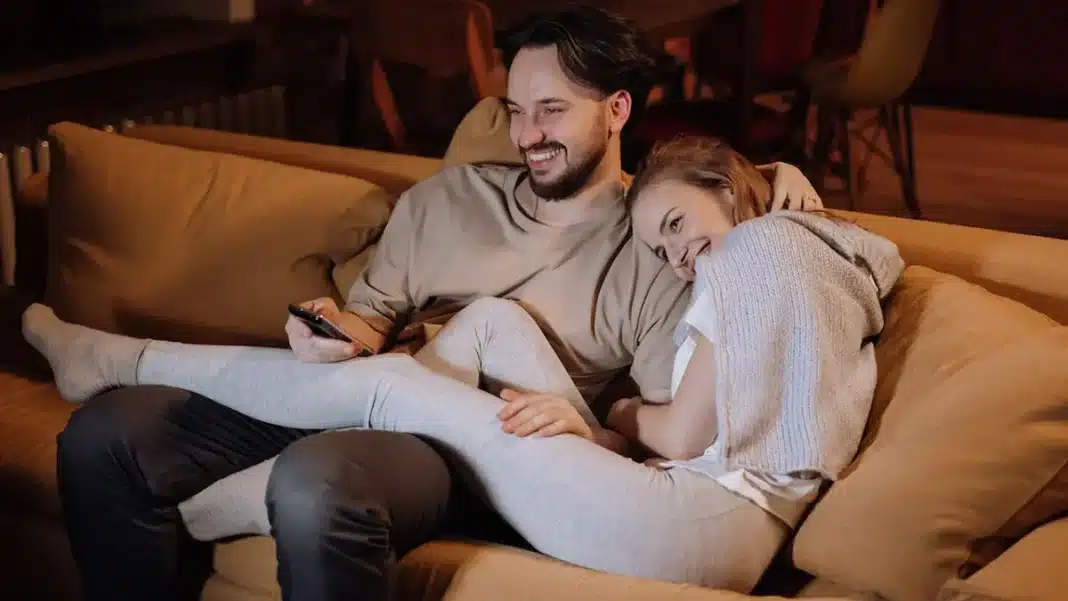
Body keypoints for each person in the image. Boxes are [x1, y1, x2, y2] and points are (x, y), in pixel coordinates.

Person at [46, 6, 826, 601]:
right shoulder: (449, 199)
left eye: (552, 110)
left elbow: (659, 444)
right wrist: (329, 329)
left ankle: (130, 372)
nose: (528, 135)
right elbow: (367, 323)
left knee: (319, 481)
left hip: (461, 451)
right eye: (515, 110)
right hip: (347, 390)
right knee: (105, 436)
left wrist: (776, 177)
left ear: (616, 110)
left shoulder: (651, 249)